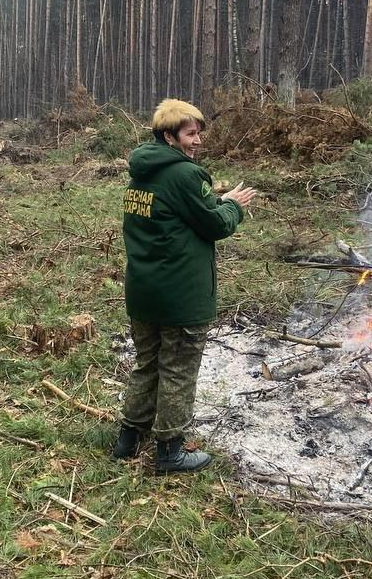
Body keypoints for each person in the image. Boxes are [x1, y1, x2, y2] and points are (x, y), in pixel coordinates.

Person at [114, 98, 256, 473]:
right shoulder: (186, 175)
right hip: (180, 297)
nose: (198, 141)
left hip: (144, 291)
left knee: (146, 364)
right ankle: (170, 451)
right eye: (191, 134)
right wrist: (234, 206)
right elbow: (214, 225)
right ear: (169, 136)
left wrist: (216, 202)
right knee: (177, 369)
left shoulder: (141, 173)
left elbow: (184, 211)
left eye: (199, 134)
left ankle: (128, 438)